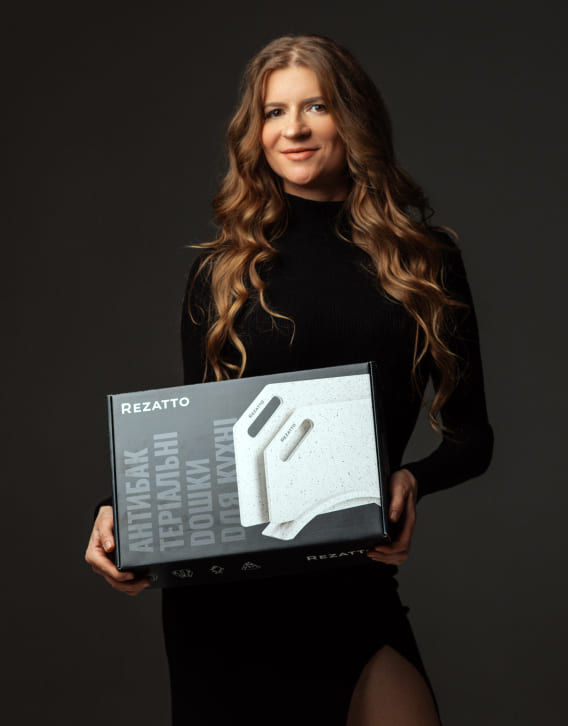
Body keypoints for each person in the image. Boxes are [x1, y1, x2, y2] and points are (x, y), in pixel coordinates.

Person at [85, 34, 493, 726]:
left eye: (316, 107)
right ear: (256, 132)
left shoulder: (425, 260)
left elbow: (472, 437)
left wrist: (412, 481)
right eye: (274, 112)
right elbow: (198, 439)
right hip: (228, 605)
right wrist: (117, 510)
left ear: (353, 118)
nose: (293, 129)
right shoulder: (223, 269)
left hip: (351, 581)